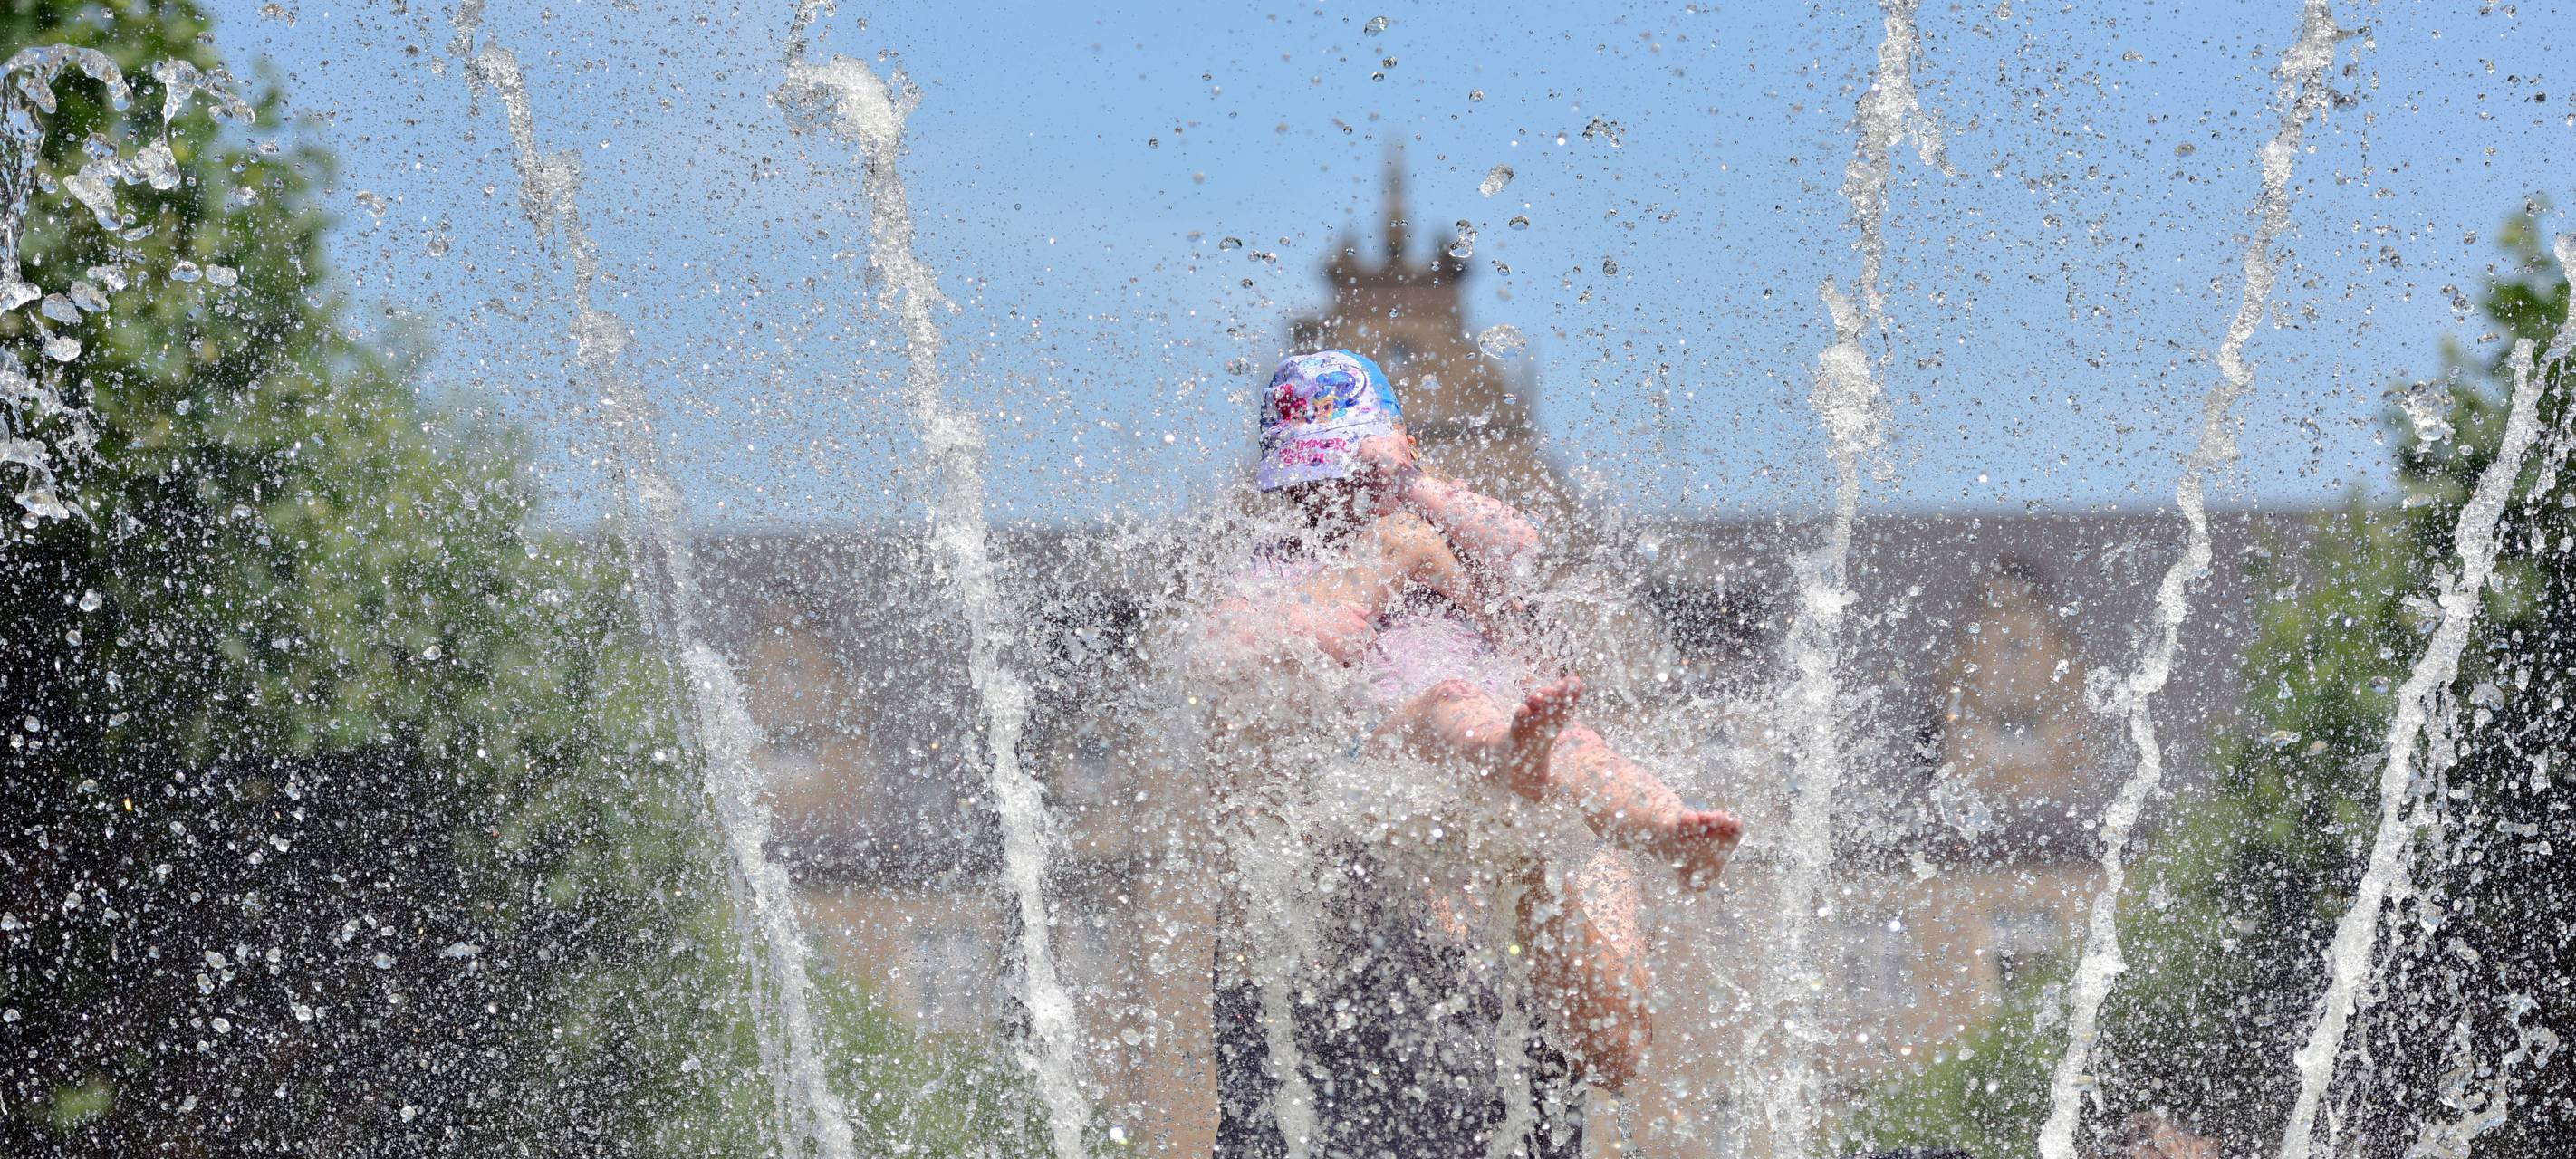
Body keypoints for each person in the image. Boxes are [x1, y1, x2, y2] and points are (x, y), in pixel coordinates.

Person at [1192, 350, 1745, 1157]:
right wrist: (1369, 573)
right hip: (1393, 763)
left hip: (1508, 778)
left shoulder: (1444, 542)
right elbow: (1219, 654)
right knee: (1453, 713)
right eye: (1314, 481)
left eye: (1351, 473)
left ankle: (1665, 831)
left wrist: (1412, 496)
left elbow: (1615, 1059)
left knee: (1576, 755)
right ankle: (1512, 762)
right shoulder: (1292, 569)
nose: (1335, 497)